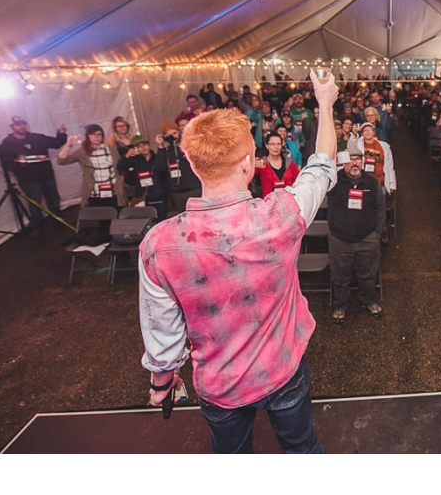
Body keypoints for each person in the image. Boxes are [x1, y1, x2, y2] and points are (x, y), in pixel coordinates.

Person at [139, 68, 338, 454]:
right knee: (302, 451)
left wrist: (162, 384)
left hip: (219, 385)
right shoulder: (282, 214)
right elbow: (321, 165)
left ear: (194, 166)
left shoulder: (158, 244)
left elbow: (163, 334)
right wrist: (325, 104)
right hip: (283, 372)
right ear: (249, 164)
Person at [327, 148, 386, 323]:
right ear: (344, 162)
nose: (354, 163)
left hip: (367, 238)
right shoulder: (334, 182)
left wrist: (376, 233)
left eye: (358, 159)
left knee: (368, 274)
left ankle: (368, 300)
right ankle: (340, 305)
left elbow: (380, 209)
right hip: (340, 239)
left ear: (363, 162)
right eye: (350, 160)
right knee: (340, 275)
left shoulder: (372, 182)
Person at [0, 116, 67, 231]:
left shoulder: (37, 137)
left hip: (46, 175)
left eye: (23, 123)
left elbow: (56, 143)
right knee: (35, 203)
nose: (21, 126)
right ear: (12, 126)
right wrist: (19, 166)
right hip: (28, 179)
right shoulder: (7, 144)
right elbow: (5, 163)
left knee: (54, 199)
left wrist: (61, 134)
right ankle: (38, 227)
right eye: (18, 124)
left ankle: (58, 220)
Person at [57, 124, 128, 214]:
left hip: (114, 191)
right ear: (88, 136)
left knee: (118, 217)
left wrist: (121, 183)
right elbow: (61, 161)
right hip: (95, 193)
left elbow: (120, 168)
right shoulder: (82, 152)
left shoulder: (111, 149)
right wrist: (68, 146)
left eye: (99, 134)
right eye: (92, 134)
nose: (96, 137)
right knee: (103, 220)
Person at [154, 120, 202, 214]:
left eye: (175, 133)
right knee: (183, 217)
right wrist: (160, 146)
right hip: (177, 191)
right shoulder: (166, 151)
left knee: (199, 215)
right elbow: (160, 168)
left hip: (194, 188)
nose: (173, 136)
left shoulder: (188, 146)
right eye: (169, 135)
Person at [117, 134, 168, 220]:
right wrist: (126, 156)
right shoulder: (135, 160)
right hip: (143, 197)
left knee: (162, 221)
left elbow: (164, 172)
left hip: (160, 196)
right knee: (147, 224)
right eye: (139, 146)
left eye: (144, 144)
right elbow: (120, 167)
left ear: (149, 145)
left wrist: (164, 191)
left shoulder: (157, 158)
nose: (143, 148)